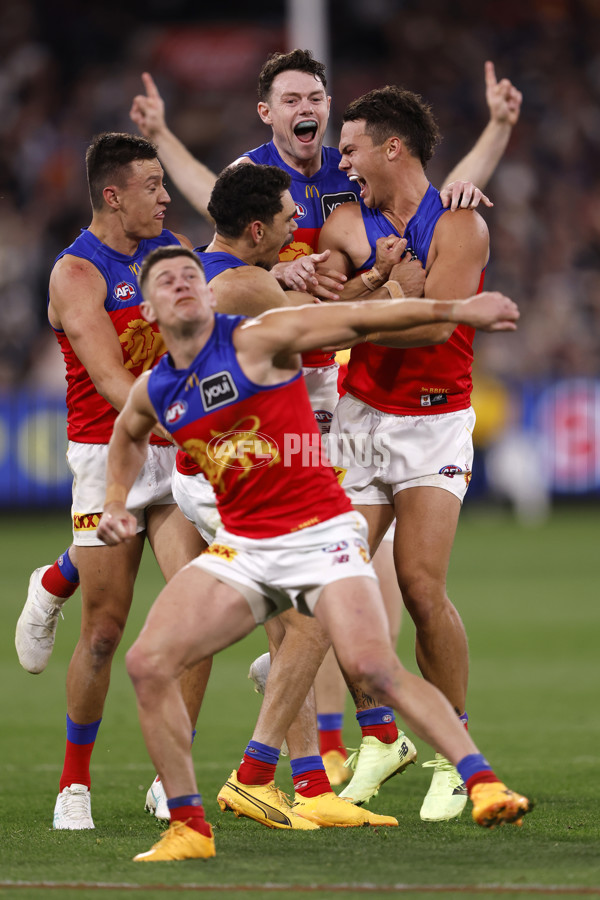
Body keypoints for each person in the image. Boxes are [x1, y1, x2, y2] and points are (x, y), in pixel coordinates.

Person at [129, 52, 522, 788]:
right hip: (299, 391)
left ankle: (362, 746)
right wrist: (332, 294)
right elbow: (216, 206)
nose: (318, 121)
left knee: (391, 582)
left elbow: (430, 188)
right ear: (268, 113)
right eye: (294, 99)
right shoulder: (275, 195)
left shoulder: (352, 192)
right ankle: (291, 757)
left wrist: (495, 135)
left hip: (349, 400)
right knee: (323, 575)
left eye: (320, 98)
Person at [96, 244, 529, 862]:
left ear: (209, 291)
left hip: (320, 534)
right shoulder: (156, 388)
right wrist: (115, 501)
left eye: (193, 274)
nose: (184, 284)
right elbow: (126, 436)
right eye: (168, 280)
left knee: (374, 666)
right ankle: (189, 828)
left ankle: (482, 782)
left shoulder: (258, 337)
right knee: (146, 662)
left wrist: (460, 307)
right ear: (148, 305)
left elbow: (359, 322)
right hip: (244, 547)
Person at [315, 82, 509, 821]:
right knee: (333, 580)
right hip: (363, 418)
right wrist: (384, 294)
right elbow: (321, 319)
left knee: (421, 589)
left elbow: (434, 328)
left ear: (392, 147)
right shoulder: (345, 220)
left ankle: (456, 757)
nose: (343, 160)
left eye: (352, 147)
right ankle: (379, 737)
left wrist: (359, 313)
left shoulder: (459, 225)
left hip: (433, 420)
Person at [16, 132, 210, 830]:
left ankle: (173, 778)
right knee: (103, 632)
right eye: (153, 185)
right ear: (112, 195)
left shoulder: (172, 252)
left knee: (195, 615)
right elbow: (107, 380)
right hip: (109, 456)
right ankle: (75, 784)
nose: (165, 196)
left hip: (172, 447)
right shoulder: (77, 273)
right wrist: (187, 419)